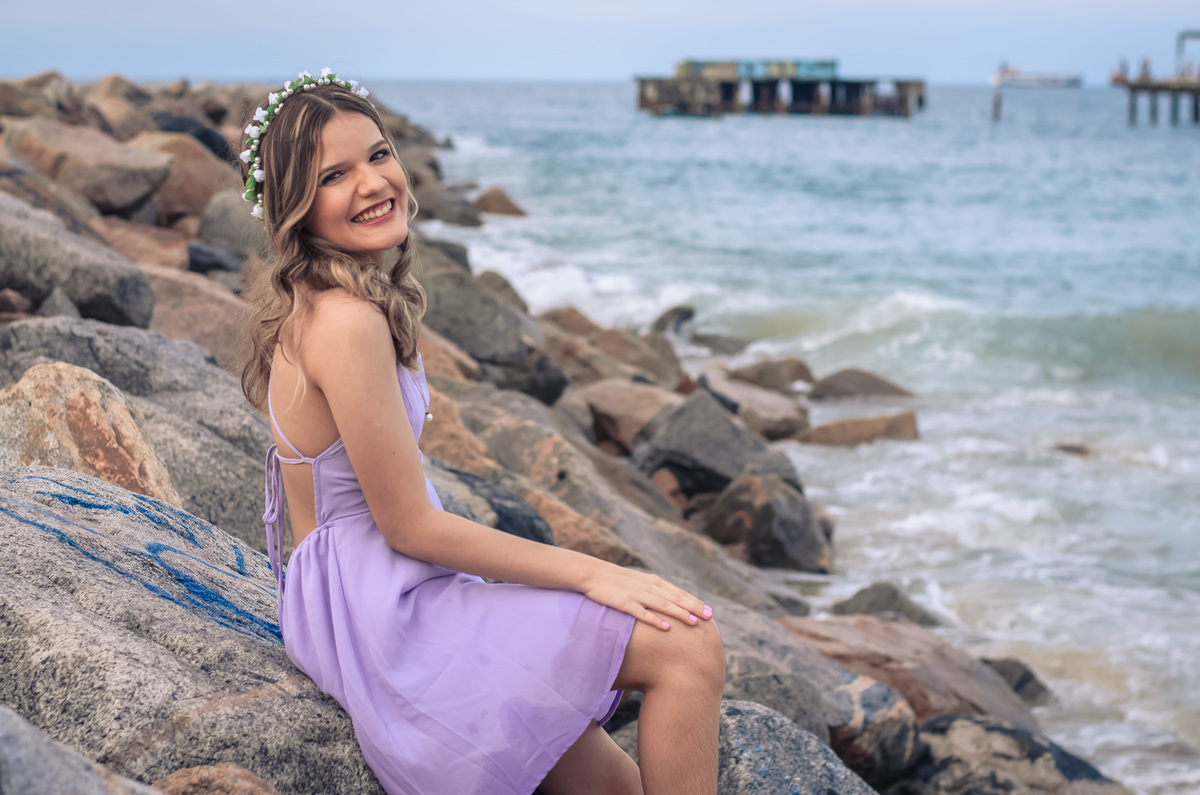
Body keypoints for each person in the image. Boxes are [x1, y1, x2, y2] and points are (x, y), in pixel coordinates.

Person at [236, 70, 724, 795]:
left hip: (357, 597)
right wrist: (595, 572)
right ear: (295, 207)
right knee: (687, 642)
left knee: (616, 789)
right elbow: (408, 525)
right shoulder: (346, 322)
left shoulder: (320, 301)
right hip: (387, 618)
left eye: (378, 154)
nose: (371, 183)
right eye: (334, 176)